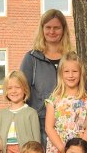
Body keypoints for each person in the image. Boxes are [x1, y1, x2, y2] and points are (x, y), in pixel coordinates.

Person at [20, 9, 72, 145]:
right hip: (39, 124)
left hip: (67, 123)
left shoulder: (71, 58)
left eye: (56, 28)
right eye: (48, 27)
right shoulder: (31, 58)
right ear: (42, 29)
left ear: (63, 30)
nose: (52, 32)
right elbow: (21, 92)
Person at [44, 51, 87, 153]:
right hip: (58, 149)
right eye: (66, 71)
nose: (71, 75)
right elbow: (49, 127)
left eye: (74, 71)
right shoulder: (54, 99)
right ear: (61, 74)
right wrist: (63, 149)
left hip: (79, 150)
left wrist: (78, 150)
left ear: (80, 73)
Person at [0, 70, 41, 153]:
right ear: (6, 91)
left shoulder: (31, 113)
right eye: (10, 88)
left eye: (17, 87)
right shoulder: (2, 114)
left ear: (24, 89)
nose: (14, 91)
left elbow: (36, 140)